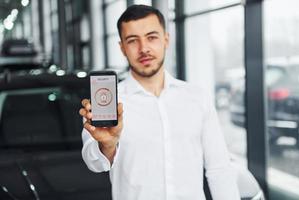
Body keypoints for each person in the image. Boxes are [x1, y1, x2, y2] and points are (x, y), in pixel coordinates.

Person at [79, 4, 240, 200]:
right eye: (132, 41)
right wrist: (108, 146)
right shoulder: (108, 103)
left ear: (166, 39)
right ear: (122, 47)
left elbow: (219, 169)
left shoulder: (197, 98)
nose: (143, 48)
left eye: (151, 37)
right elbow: (94, 163)